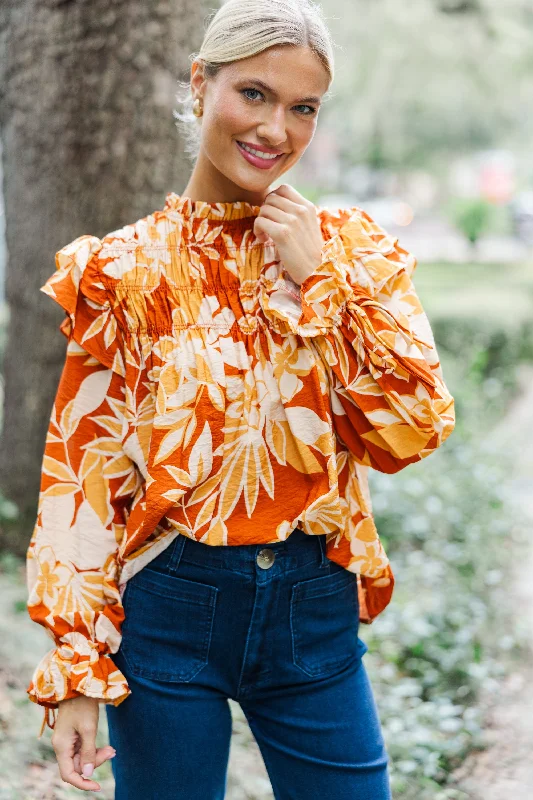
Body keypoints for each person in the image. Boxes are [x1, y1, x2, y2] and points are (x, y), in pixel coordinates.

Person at [25, 0, 455, 797]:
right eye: (253, 94)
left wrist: (317, 281)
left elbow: (410, 434)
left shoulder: (351, 253)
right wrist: (77, 663)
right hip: (169, 604)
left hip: (310, 608)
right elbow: (81, 478)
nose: (275, 130)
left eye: (302, 109)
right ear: (200, 83)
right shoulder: (122, 271)